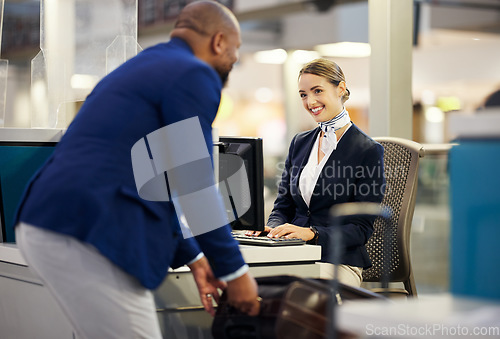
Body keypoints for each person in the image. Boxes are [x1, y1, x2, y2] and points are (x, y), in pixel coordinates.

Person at [14, 1, 259, 338]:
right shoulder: (193, 73)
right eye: (235, 49)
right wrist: (235, 272)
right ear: (219, 41)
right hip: (91, 229)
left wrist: (193, 255)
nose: (235, 58)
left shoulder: (142, 67)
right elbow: (194, 183)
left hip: (54, 221)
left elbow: (157, 180)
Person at [247, 58, 385, 287]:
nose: (310, 101)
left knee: (294, 294)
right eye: (303, 94)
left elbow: (360, 229)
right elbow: (283, 205)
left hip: (339, 262)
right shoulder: (300, 143)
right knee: (247, 284)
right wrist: (273, 227)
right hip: (294, 255)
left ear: (340, 89)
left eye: (317, 91)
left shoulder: (368, 151)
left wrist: (312, 233)